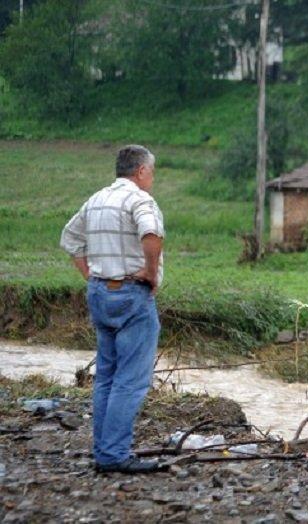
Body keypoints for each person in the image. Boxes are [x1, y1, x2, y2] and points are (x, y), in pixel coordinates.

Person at [60, 145, 167, 474]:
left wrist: (91, 276)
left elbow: (70, 238)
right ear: (140, 172)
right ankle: (114, 455)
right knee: (131, 381)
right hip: (132, 295)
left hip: (100, 293)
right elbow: (151, 233)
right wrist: (150, 272)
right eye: (151, 171)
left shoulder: (96, 199)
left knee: (106, 376)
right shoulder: (139, 199)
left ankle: (104, 450)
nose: (152, 177)